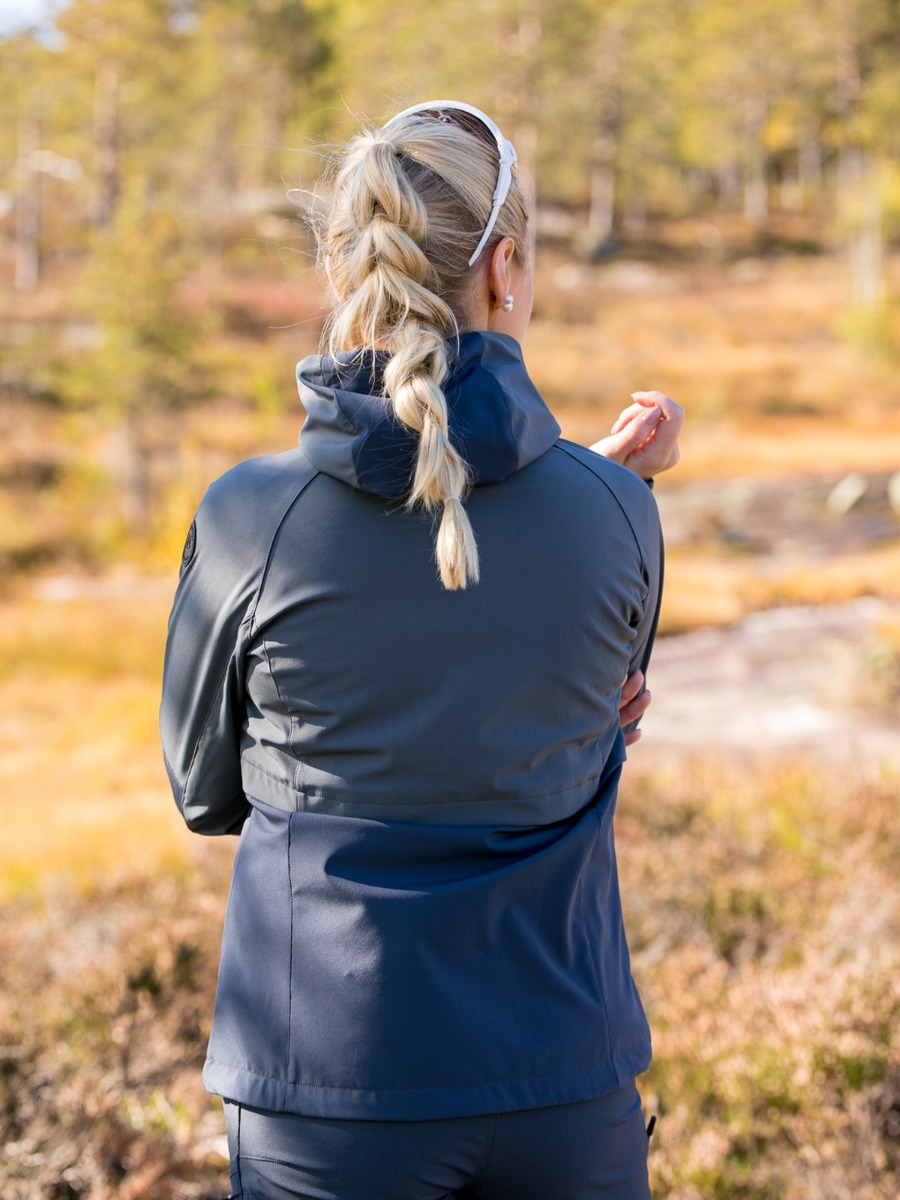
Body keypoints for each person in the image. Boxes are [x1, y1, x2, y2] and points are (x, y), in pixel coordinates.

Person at [160, 99, 683, 1200]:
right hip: (565, 1080)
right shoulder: (619, 511)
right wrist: (604, 482)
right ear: (505, 269)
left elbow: (203, 794)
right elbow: (583, 737)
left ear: (343, 265)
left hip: (328, 1091)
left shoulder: (252, 516)